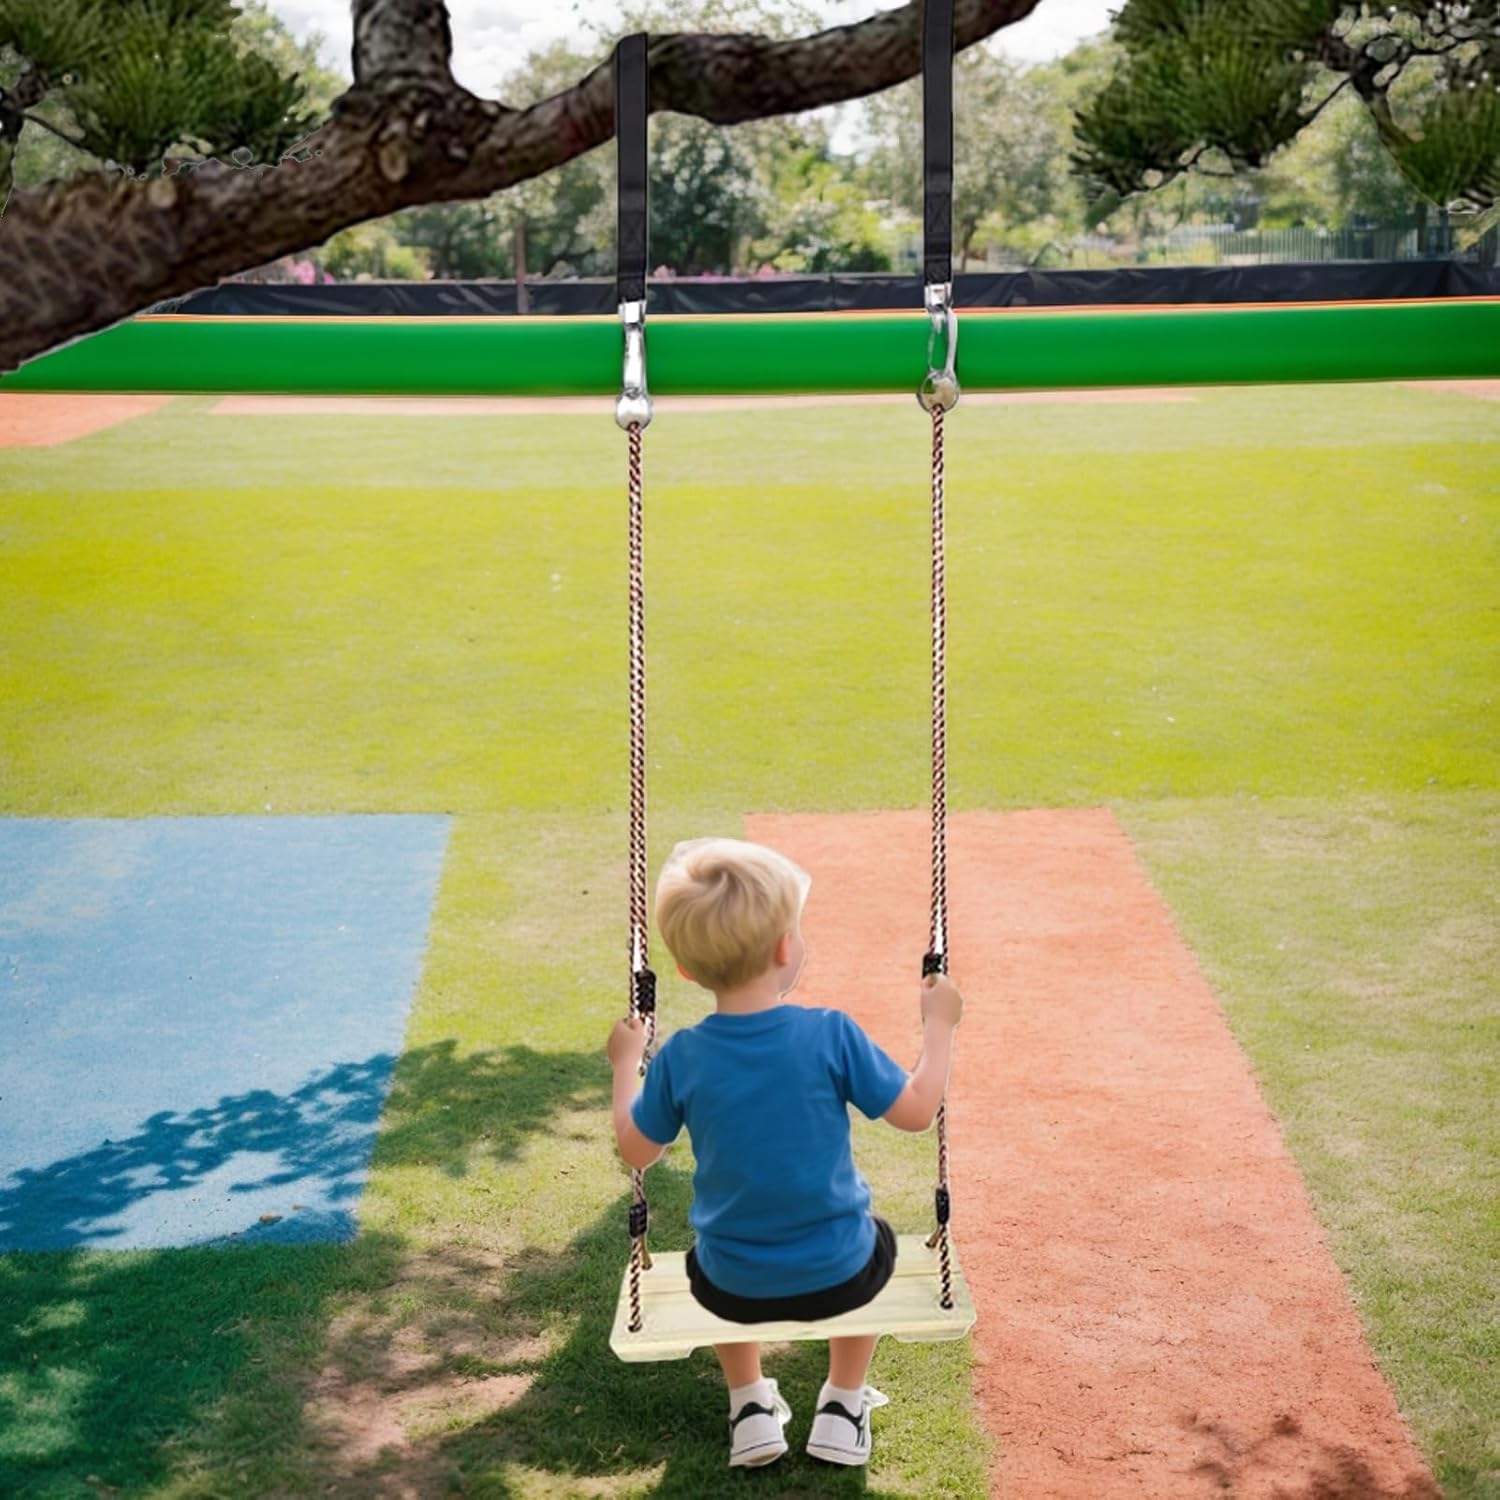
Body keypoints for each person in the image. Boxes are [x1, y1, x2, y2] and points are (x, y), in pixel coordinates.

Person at [607, 836, 964, 1470]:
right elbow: (915, 1113)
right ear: (783, 949)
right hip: (841, 1275)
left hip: (730, 1286)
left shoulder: (683, 1057)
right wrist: (939, 1026)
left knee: (711, 1249)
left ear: (684, 970)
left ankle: (749, 1406)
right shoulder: (829, 1033)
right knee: (872, 1236)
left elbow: (636, 1149)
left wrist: (624, 1065)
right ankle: (843, 1407)